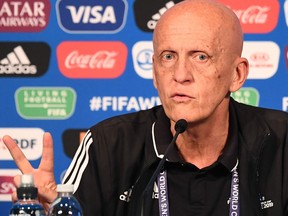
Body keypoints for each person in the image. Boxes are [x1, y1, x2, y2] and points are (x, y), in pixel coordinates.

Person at [3, 0, 288, 215]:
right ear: (154, 72)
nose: (180, 74)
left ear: (237, 75)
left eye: (201, 57)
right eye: (168, 57)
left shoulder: (283, 141)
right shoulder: (107, 144)